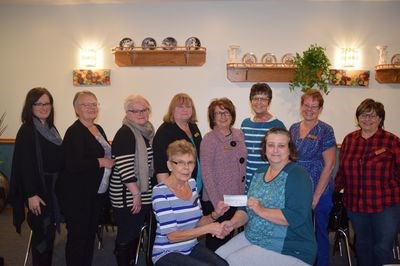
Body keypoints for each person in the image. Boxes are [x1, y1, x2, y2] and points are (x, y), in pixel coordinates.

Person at [216, 127, 317, 266]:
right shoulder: (258, 173)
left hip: (290, 247)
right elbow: (246, 208)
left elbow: (295, 216)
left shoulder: (297, 175)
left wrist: (261, 210)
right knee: (218, 257)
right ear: (265, 148)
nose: (275, 150)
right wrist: (232, 224)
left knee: (234, 261)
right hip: (253, 237)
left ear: (290, 149)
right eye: (271, 145)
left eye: (281, 146)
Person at [335, 98, 400, 266]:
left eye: (373, 116)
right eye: (364, 115)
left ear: (380, 119)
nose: (367, 120)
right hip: (356, 204)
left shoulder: (391, 141)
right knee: (362, 245)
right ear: (358, 117)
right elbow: (342, 171)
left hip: (385, 204)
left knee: (382, 247)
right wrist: (333, 192)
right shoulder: (349, 140)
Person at [56, 91, 114, 266]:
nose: (91, 108)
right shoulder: (74, 132)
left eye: (94, 104)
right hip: (77, 196)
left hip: (95, 194)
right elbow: (73, 164)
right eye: (85, 104)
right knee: (78, 239)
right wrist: (101, 161)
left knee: (89, 236)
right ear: (76, 109)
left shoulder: (98, 129)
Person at [152, 140, 229, 266]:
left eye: (190, 162)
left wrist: (215, 215)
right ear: (170, 165)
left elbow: (197, 223)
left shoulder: (192, 184)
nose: (186, 168)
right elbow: (172, 236)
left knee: (223, 264)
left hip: (191, 247)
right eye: (180, 163)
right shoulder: (160, 192)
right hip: (167, 252)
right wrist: (208, 229)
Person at [10, 87, 63, 266]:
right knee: (41, 236)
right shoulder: (27, 131)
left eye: (47, 103)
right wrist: (31, 195)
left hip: (52, 189)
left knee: (48, 235)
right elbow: (25, 167)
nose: (43, 107)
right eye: (38, 103)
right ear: (30, 106)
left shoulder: (51, 128)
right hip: (38, 191)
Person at [289, 89, 336, 266]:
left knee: (319, 233)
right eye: (306, 105)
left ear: (320, 109)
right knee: (297, 231)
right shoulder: (293, 128)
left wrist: (316, 196)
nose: (310, 110)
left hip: (319, 187)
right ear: (301, 106)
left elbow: (330, 164)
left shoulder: (325, 130)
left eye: (314, 107)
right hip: (297, 187)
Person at [110, 94, 155, 265]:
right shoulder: (125, 133)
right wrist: (136, 194)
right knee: (127, 233)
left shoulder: (147, 132)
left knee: (134, 231)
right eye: (135, 110)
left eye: (144, 109)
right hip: (127, 194)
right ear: (127, 113)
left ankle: (129, 259)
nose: (140, 113)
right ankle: (123, 260)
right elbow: (125, 167)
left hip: (140, 191)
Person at [200, 97, 247, 251]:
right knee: (218, 240)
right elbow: (206, 174)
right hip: (218, 200)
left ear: (232, 115)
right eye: (218, 113)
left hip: (237, 197)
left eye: (226, 112)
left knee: (236, 240)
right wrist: (217, 203)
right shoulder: (209, 139)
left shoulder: (239, 134)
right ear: (212, 117)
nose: (223, 116)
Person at [241, 83, 285, 192]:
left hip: (268, 180)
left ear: (269, 102)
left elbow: (283, 157)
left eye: (263, 99)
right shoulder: (245, 124)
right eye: (255, 98)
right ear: (251, 101)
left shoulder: (277, 125)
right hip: (247, 180)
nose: (259, 102)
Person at [153, 93, 202, 190]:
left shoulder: (193, 127)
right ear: (172, 109)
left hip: (195, 186)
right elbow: (161, 166)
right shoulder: (165, 131)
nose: (185, 109)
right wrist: (168, 193)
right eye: (180, 107)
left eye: (188, 106)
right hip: (176, 188)